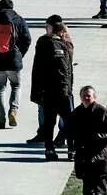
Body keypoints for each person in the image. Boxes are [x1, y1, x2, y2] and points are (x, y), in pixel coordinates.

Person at [0, 0, 32, 129]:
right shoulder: (18, 19)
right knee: (16, 86)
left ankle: (1, 119)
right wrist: (20, 55)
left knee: (0, 89)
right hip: (14, 60)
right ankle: (13, 110)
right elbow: (27, 39)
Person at [30, 16, 74, 161]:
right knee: (65, 121)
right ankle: (69, 149)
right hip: (60, 90)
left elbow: (38, 69)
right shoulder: (60, 44)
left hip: (52, 90)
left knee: (52, 122)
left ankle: (52, 149)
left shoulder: (47, 43)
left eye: (47, 26)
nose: (45, 29)